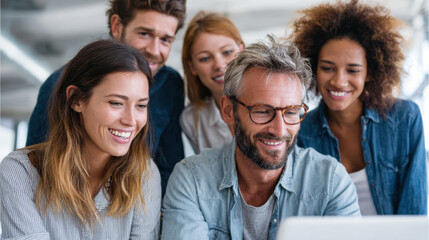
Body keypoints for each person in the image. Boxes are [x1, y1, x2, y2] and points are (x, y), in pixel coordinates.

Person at [162, 35, 361, 240]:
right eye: (263, 111)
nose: (279, 129)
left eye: (291, 111)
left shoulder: (331, 181)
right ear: (229, 110)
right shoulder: (191, 180)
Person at [0, 40, 161, 239]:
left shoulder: (145, 175)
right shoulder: (20, 171)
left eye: (141, 106)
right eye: (116, 103)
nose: (131, 121)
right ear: (76, 100)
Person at [26, 0, 186, 195]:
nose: (154, 49)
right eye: (144, 34)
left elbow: (170, 167)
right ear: (117, 26)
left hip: (139, 206)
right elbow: (38, 170)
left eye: (165, 40)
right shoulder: (58, 85)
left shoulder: (170, 84)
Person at [291, 0, 427, 215]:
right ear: (313, 68)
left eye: (353, 70)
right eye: (327, 68)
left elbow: (414, 211)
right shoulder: (301, 131)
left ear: (370, 73)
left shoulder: (404, 118)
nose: (339, 81)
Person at [180, 11, 244, 154]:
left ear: (242, 50)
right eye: (204, 58)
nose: (219, 65)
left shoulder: (274, 98)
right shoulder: (192, 120)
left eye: (227, 52)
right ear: (192, 67)